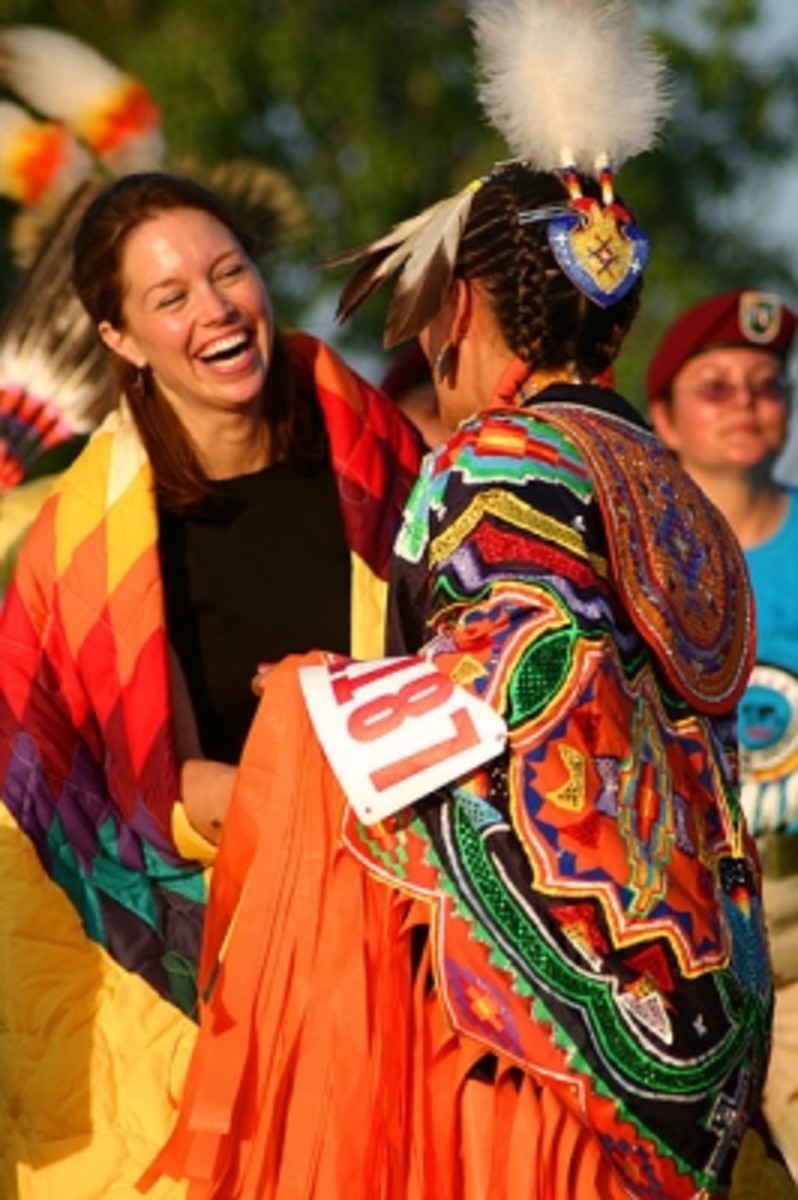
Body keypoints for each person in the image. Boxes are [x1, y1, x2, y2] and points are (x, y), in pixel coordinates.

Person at [143, 3, 791, 1198]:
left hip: (540, 1026)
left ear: (463, 306)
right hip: (696, 983)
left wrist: (314, 699)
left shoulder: (502, 459)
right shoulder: (659, 474)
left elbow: (518, 678)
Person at [0, 170, 421, 1199]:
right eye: (170, 297)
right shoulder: (94, 540)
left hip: (408, 918)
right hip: (198, 941)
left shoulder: (377, 453)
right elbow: (156, 794)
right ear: (120, 340)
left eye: (227, 272)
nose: (215, 310)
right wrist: (315, 755)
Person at [646, 287, 798, 1177]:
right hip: (673, 932)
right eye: (717, 387)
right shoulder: (631, 550)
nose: (747, 404)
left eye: (767, 384)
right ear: (661, 417)